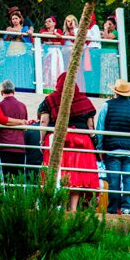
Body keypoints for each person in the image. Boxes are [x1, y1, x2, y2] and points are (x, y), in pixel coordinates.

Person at [38, 72, 99, 211]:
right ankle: (73, 208)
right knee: (76, 174)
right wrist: (94, 143)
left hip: (57, 139)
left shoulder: (50, 100)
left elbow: (43, 121)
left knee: (57, 172)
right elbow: (90, 127)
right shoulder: (84, 101)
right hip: (81, 141)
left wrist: (42, 140)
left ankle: (58, 207)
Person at [94, 79, 130, 215]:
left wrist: (100, 149)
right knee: (128, 179)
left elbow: (100, 129)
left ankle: (112, 209)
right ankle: (126, 208)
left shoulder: (107, 106)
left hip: (112, 150)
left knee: (113, 180)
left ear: (115, 92)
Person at [0, 80, 28, 181]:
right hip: (19, 145)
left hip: (4, 145)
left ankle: (7, 197)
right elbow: (25, 126)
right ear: (14, 91)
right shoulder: (22, 106)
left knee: (6, 177)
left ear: (1, 92)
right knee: (19, 178)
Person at [40, 16, 65, 91]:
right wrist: (54, 34)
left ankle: (56, 87)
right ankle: (47, 86)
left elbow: (61, 42)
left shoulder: (59, 30)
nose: (47, 23)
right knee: (46, 69)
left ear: (54, 23)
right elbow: (42, 34)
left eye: (49, 21)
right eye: (46, 22)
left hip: (55, 51)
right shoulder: (44, 30)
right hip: (46, 52)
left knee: (55, 68)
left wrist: (52, 42)